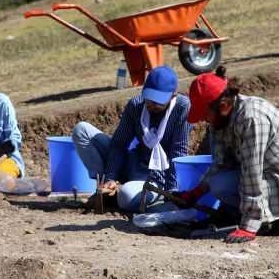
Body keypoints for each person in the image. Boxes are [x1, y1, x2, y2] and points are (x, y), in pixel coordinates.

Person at [177, 66, 279, 243]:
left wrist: (248, 226)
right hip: (272, 170)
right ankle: (249, 213)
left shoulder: (252, 119)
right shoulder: (220, 120)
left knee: (225, 184)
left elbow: (252, 173)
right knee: (218, 182)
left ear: (224, 106)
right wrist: (196, 192)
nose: (204, 119)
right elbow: (221, 163)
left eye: (205, 114)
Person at [72, 66, 192, 212]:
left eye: (158, 100)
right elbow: (118, 144)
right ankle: (104, 190)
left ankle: (148, 197)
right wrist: (110, 177)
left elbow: (178, 151)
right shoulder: (136, 105)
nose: (152, 103)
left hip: (157, 178)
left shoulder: (182, 108)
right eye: (149, 97)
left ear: (173, 95)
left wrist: (172, 192)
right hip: (133, 163)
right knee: (82, 130)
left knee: (126, 195)